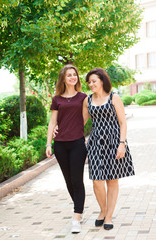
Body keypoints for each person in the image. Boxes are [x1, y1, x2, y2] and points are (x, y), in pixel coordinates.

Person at [83, 68, 135, 230]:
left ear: (102, 81)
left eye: (94, 81)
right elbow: (80, 124)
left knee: (112, 180)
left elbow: (122, 122)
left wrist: (122, 143)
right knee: (97, 181)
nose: (91, 84)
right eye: (89, 82)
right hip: (96, 143)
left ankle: (109, 216)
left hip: (114, 142)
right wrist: (59, 129)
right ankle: (103, 210)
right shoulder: (88, 101)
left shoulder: (114, 97)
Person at [46, 64, 87, 234]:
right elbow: (52, 122)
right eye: (69, 75)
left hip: (77, 143)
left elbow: (84, 120)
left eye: (74, 74)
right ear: (63, 78)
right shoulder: (57, 99)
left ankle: (76, 216)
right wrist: (49, 143)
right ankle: (80, 207)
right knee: (69, 181)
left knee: (77, 180)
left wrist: (73, 130)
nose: (72, 77)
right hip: (60, 145)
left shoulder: (83, 97)